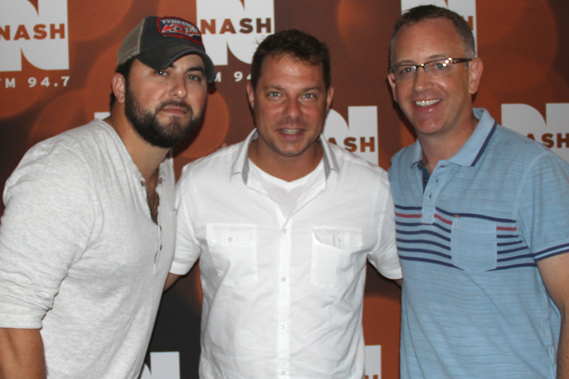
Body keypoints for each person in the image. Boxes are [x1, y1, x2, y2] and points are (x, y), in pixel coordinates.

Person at [165, 29, 402, 378]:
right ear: (251, 95)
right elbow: (146, 286)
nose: (292, 113)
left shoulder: (371, 189)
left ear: (328, 98)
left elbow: (420, 284)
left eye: (308, 95)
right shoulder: (201, 185)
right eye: (275, 94)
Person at [0, 15, 215, 379]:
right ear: (119, 86)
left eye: (193, 76)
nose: (179, 89)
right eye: (161, 72)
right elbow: (8, 318)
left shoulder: (162, 166)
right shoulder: (66, 170)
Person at [387, 5, 569, 379]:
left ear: (473, 74)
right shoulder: (396, 176)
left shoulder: (533, 171)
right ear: (393, 85)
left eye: (439, 64)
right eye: (407, 69)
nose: (421, 84)